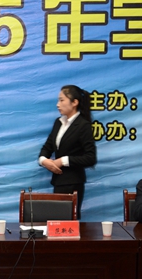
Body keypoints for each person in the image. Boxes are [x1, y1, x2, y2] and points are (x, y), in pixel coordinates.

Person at [38, 85, 97, 219]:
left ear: (74, 102)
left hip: (73, 182)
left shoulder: (83, 125)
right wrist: (44, 161)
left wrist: (63, 161)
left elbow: (90, 157)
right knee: (56, 221)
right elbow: (47, 147)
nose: (58, 104)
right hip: (58, 181)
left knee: (68, 223)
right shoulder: (58, 123)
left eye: (62, 100)